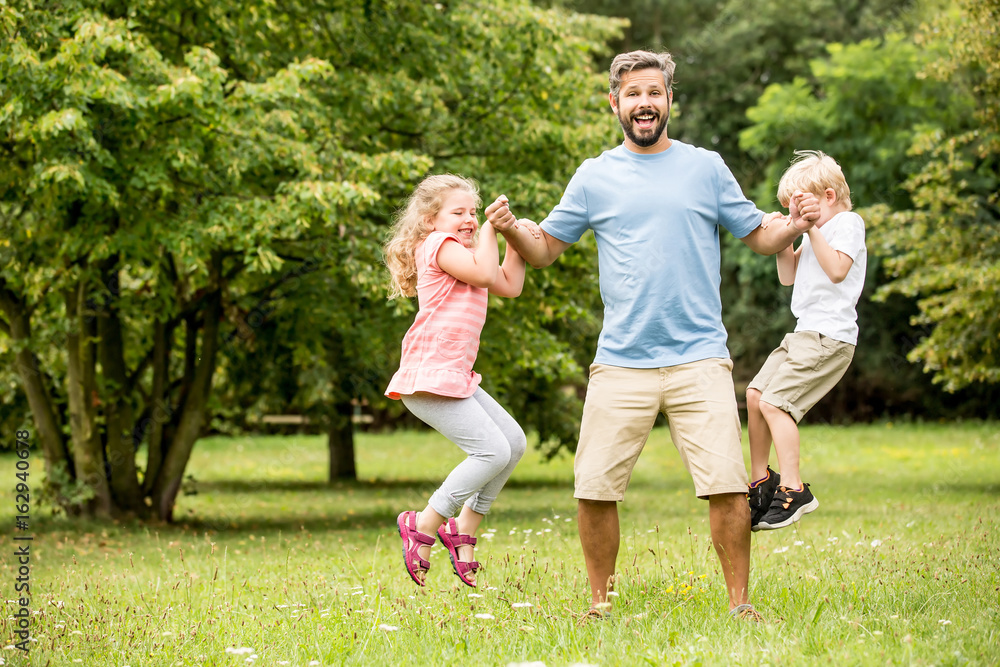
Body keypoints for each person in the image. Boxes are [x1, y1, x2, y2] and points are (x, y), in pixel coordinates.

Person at [485, 50, 820, 621]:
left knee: (727, 487)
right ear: (615, 103)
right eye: (634, 94)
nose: (645, 103)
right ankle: (600, 605)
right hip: (620, 360)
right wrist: (513, 230)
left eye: (655, 93)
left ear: (670, 102)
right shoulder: (594, 175)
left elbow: (759, 235)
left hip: (700, 358)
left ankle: (741, 606)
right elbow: (543, 251)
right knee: (594, 487)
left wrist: (797, 221)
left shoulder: (706, 167)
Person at [384, 174, 536, 588]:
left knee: (513, 444)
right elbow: (487, 275)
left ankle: (463, 527)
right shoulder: (438, 246)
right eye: (459, 213)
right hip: (429, 374)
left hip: (453, 375)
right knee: (490, 451)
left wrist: (514, 239)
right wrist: (491, 227)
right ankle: (424, 522)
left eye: (473, 212)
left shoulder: (467, 254)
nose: (469, 219)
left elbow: (508, 284)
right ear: (431, 219)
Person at [746, 151, 867, 532]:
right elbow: (788, 276)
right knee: (755, 395)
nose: (796, 212)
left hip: (829, 337)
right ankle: (761, 482)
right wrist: (786, 237)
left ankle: (794, 488)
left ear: (828, 196)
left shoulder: (847, 223)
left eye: (802, 203)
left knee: (775, 403)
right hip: (803, 333)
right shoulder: (817, 229)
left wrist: (810, 228)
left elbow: (836, 270)